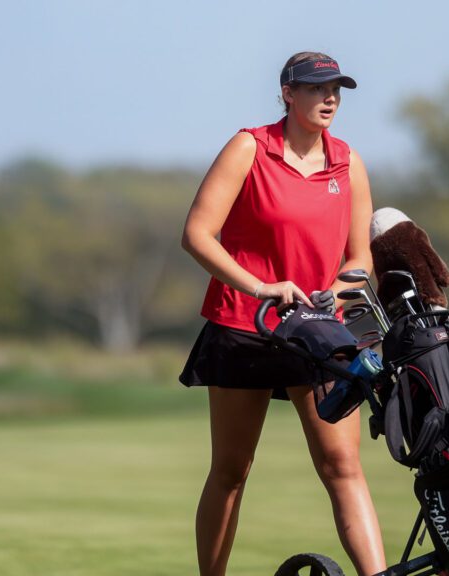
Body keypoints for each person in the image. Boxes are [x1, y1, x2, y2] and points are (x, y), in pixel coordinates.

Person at [179, 51, 387, 576]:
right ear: (287, 93)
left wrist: (334, 295)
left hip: (317, 332)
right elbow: (197, 235)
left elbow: (360, 260)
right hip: (242, 325)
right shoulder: (249, 147)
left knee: (343, 466)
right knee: (231, 470)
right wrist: (261, 288)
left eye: (337, 89)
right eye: (318, 88)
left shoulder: (348, 162)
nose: (331, 98)